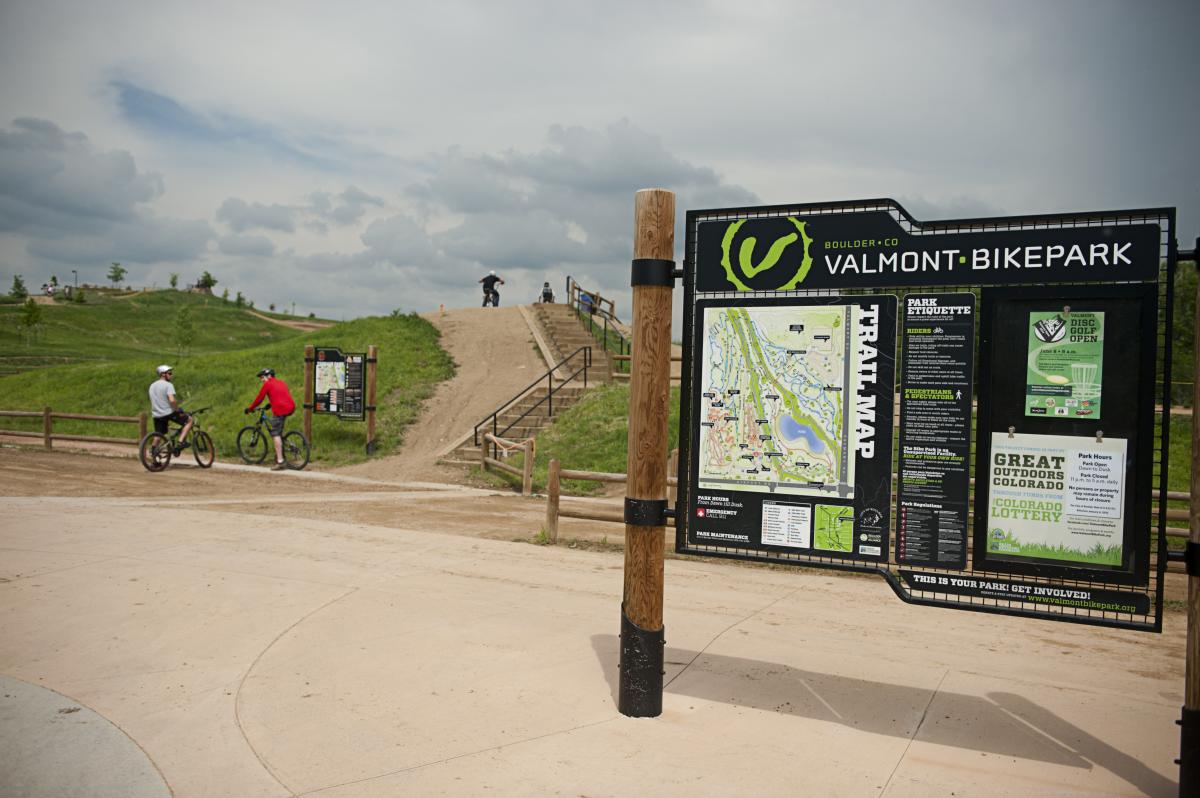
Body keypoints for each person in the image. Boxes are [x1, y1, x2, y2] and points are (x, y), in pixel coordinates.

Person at [245, 368, 296, 470]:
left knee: (275, 434)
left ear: (269, 376)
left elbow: (259, 399)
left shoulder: (268, 384)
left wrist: (250, 409)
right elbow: (281, 395)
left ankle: (280, 462)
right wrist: (270, 404)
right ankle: (282, 450)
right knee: (279, 430)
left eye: (262, 377)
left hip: (280, 410)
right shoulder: (281, 382)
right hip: (290, 407)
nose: (261, 380)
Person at [148, 365, 193, 453]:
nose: (171, 375)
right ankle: (180, 442)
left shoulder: (152, 386)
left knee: (159, 435)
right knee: (189, 420)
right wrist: (178, 410)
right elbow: (172, 400)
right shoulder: (168, 385)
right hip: (168, 412)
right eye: (169, 373)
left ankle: (153, 455)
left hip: (156, 414)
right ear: (163, 374)